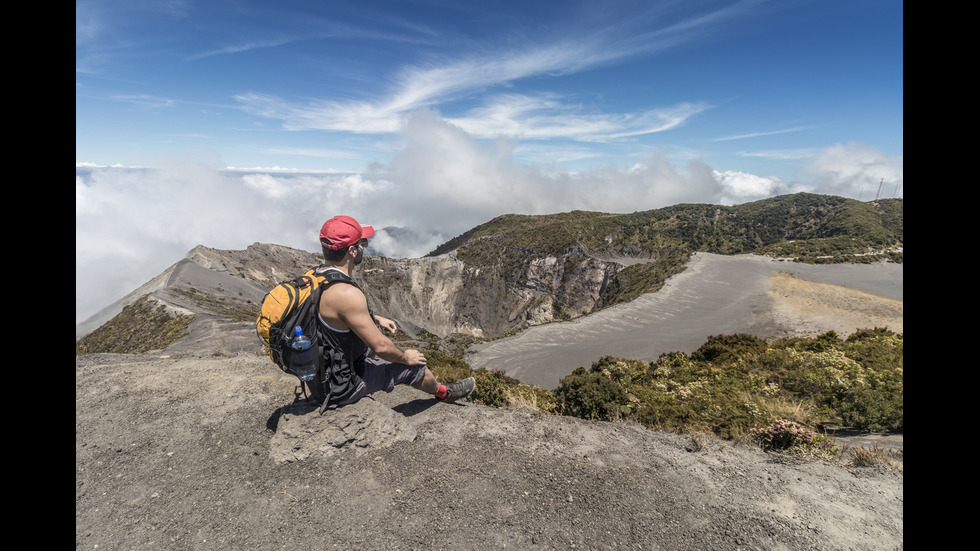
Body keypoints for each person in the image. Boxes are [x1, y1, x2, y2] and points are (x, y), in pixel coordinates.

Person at [312, 215, 475, 409]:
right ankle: (444, 393)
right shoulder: (347, 294)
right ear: (352, 251)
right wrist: (407, 357)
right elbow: (381, 347)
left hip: (319, 373)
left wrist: (375, 318)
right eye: (361, 242)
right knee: (416, 368)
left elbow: (335, 314)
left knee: (377, 332)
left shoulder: (315, 277)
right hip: (340, 386)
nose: (364, 246)